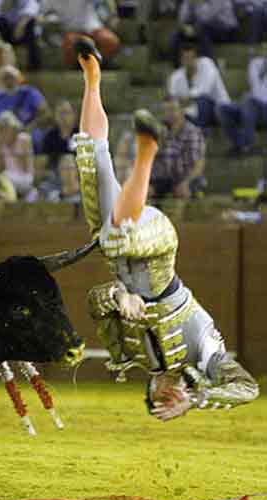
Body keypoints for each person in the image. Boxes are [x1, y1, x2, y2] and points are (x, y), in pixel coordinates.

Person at [73, 37, 258, 421]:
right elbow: (248, 387)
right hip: (158, 247)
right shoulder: (201, 353)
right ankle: (147, 154)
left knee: (91, 161)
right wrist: (198, 399)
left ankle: (92, 80)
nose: (169, 393)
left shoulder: (126, 355)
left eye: (159, 399)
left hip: (116, 247)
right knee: (120, 233)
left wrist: (117, 295)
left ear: (148, 391)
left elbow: (94, 302)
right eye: (172, 399)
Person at [167, 34, 230, 130]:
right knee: (173, 116)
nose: (189, 61)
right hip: (192, 113)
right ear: (181, 60)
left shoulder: (207, 64)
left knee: (202, 101)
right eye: (185, 58)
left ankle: (199, 134)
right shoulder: (175, 77)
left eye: (191, 58)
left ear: (196, 57)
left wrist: (186, 99)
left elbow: (205, 91)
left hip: (219, 110)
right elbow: (173, 100)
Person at [150, 97, 206, 199]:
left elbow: (199, 165)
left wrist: (186, 183)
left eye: (172, 109)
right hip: (164, 178)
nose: (169, 114)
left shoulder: (192, 132)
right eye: (166, 111)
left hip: (188, 177)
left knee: (182, 192)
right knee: (145, 192)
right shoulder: (160, 131)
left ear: (181, 111)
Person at [39, 0, 120, 67]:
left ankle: (102, 65)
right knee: (69, 42)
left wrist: (113, 14)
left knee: (110, 40)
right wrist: (49, 20)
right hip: (70, 31)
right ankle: (77, 68)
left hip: (93, 28)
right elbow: (42, 15)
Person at [220, 43, 267, 156]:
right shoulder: (255, 63)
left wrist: (249, 98)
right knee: (222, 108)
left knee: (249, 99)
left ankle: (247, 144)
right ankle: (240, 143)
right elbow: (255, 87)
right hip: (252, 107)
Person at [0, 110, 38, 202]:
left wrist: (10, 146)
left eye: (5, 129)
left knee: (2, 178)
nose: (3, 132)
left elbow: (24, 167)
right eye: (1, 129)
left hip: (25, 177)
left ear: (13, 128)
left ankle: (12, 200)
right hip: (8, 179)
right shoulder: (1, 143)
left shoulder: (24, 139)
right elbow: (0, 168)